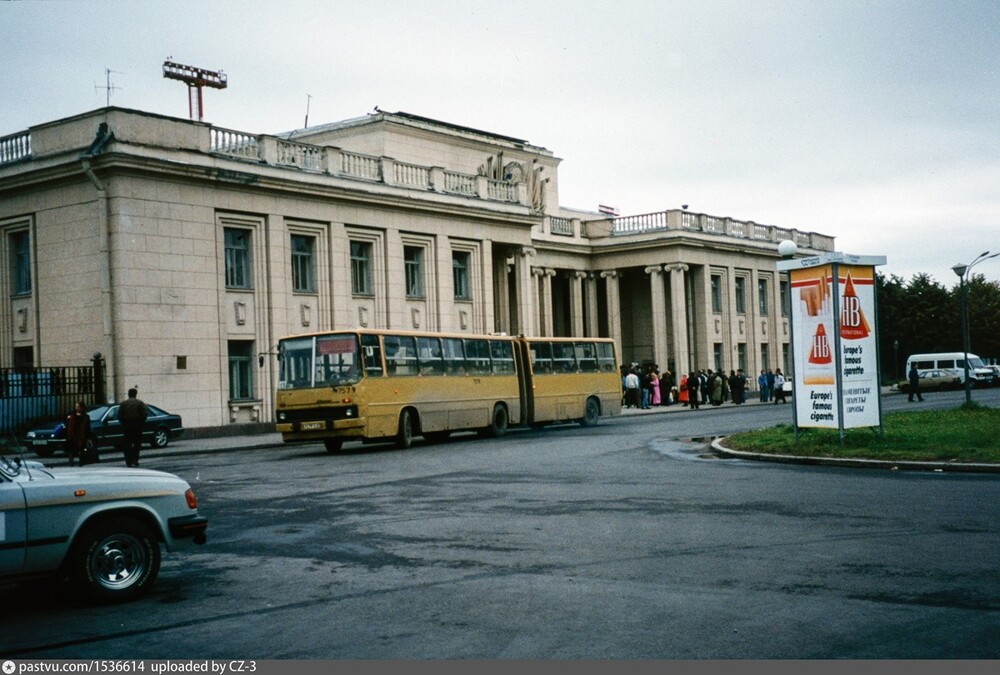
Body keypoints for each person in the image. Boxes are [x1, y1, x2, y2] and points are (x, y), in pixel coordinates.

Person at [119, 387, 149, 467]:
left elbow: (119, 415)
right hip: (137, 424)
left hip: (127, 425)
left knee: (127, 444)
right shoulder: (140, 403)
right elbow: (145, 413)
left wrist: (124, 423)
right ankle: (135, 459)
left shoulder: (123, 404)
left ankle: (128, 461)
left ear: (128, 394)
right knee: (137, 443)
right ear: (135, 394)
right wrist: (141, 422)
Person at [65, 401, 91, 466]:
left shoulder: (85, 416)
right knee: (71, 450)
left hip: (81, 436)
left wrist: (87, 437)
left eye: (78, 406)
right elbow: (68, 425)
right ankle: (71, 463)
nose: (76, 408)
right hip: (72, 436)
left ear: (81, 408)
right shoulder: (71, 415)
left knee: (81, 450)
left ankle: (81, 463)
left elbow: (87, 427)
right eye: (76, 406)